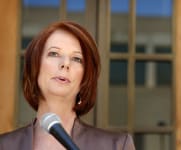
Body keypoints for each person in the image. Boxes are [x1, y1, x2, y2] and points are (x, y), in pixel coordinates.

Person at [0, 21, 135, 150]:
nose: (65, 64)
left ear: (85, 77)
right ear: (35, 66)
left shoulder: (116, 146)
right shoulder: (4, 145)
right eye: (54, 54)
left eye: (77, 58)